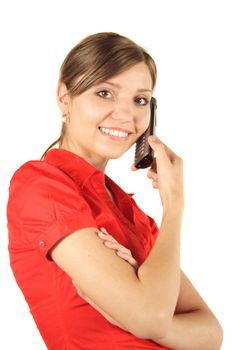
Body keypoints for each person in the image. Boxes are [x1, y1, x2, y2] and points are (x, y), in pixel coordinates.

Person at [7, 32, 223, 350]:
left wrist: (156, 320)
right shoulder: (40, 185)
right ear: (64, 97)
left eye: (140, 100)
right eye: (105, 92)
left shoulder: (132, 215)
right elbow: (150, 317)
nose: (126, 115)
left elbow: (210, 333)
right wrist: (174, 205)